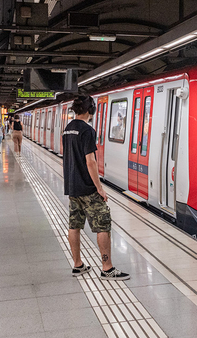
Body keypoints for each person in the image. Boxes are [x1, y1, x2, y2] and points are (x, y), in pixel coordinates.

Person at [63, 95, 129, 281]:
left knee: (74, 225)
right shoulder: (87, 131)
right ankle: (107, 268)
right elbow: (90, 162)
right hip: (87, 188)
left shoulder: (67, 130)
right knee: (103, 225)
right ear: (90, 110)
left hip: (72, 187)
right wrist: (99, 187)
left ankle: (78, 265)